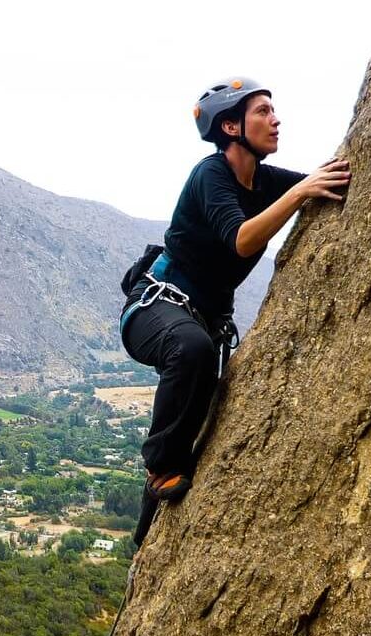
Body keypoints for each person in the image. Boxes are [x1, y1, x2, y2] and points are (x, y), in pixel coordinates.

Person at [122, 76, 351, 544]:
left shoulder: (263, 181)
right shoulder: (211, 175)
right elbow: (242, 237)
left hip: (203, 322)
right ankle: (159, 465)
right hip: (156, 309)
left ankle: (145, 537)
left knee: (198, 413)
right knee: (191, 349)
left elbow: (319, 183)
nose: (275, 118)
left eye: (273, 109)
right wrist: (299, 193)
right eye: (262, 111)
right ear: (230, 126)